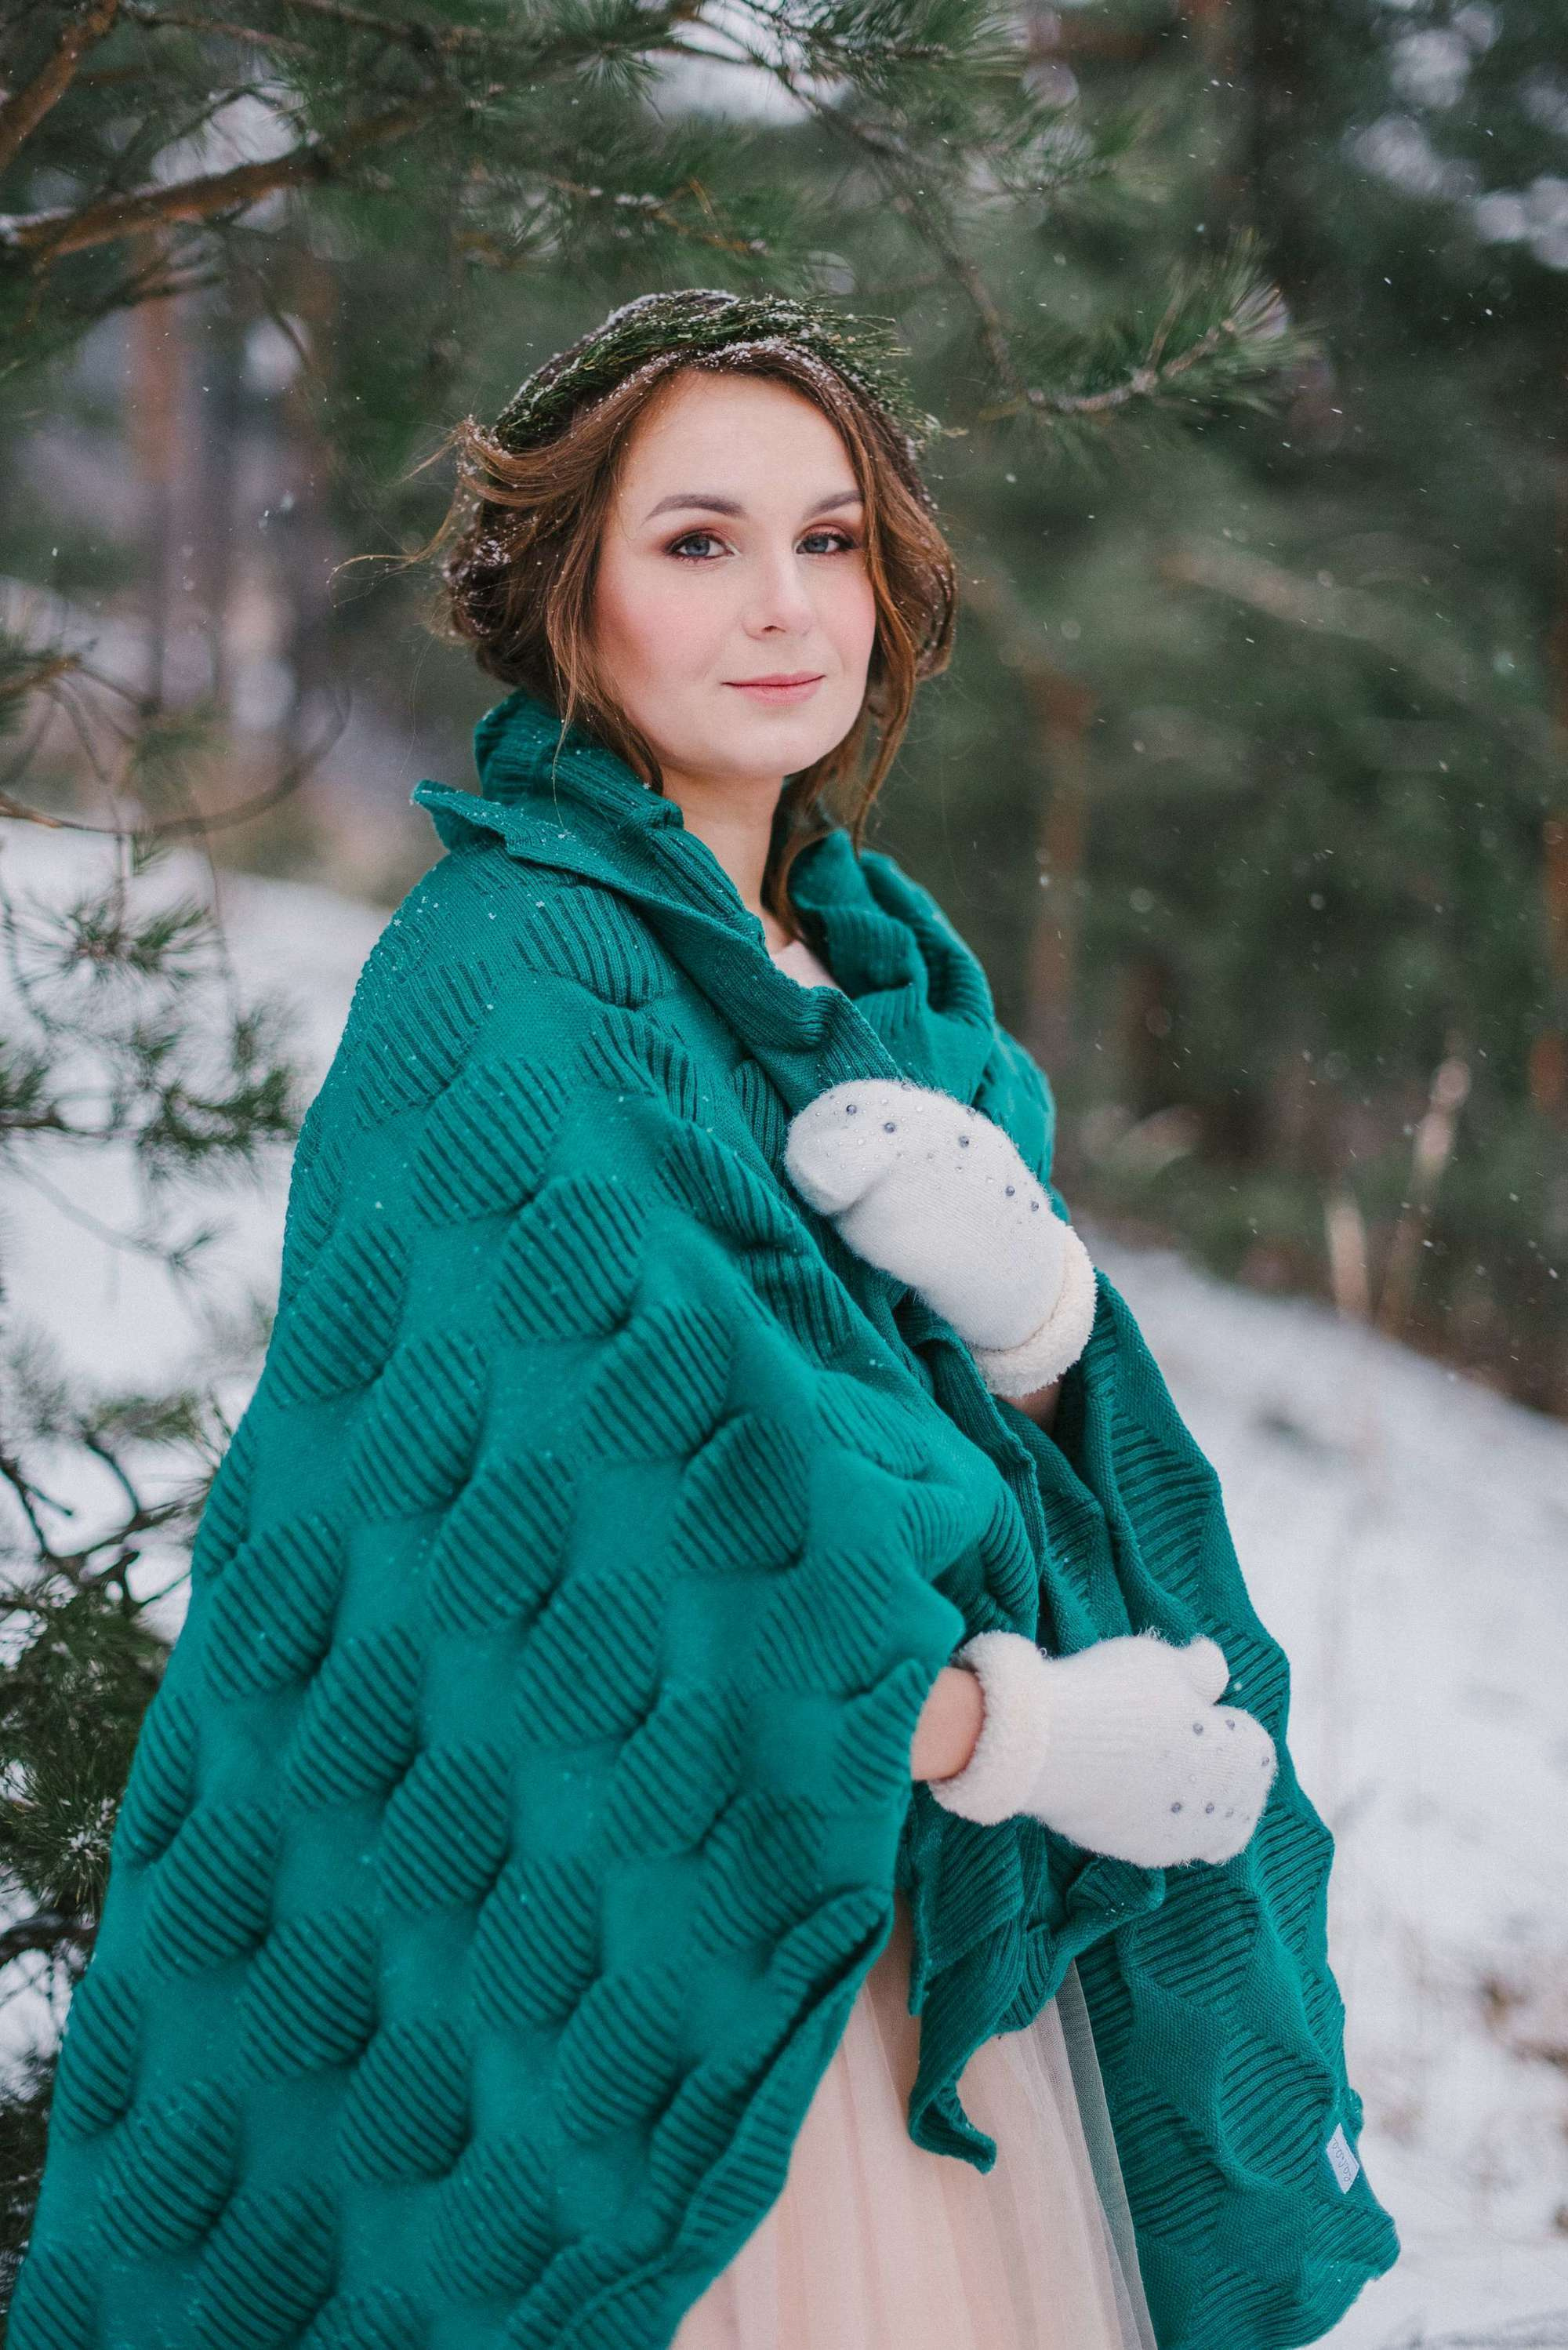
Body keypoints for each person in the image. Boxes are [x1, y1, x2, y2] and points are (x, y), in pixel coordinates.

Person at [9, 290, 1399, 2350]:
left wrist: (1039, 1323)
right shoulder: (509, 978)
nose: (783, 605)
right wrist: (1009, 1734)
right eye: (697, 540)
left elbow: (940, 1440)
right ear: (568, 597)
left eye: (828, 540)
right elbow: (591, 1549)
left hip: (907, 1943)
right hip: (648, 1949)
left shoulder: (886, 982)